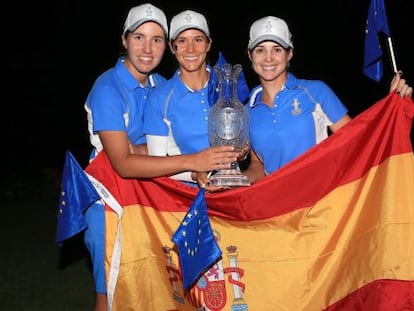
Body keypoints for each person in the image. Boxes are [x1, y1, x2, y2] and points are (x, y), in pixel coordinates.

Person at [83, 4, 238, 310]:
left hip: (147, 201)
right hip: (108, 203)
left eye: (156, 40)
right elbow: (123, 163)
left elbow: (153, 152)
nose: (147, 48)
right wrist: (192, 161)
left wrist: (191, 169)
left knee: (151, 291)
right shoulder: (108, 88)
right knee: (111, 294)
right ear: (124, 39)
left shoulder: (158, 86)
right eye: (139, 37)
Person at [243, 16, 413, 184]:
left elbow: (357, 140)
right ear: (250, 56)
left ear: (290, 54)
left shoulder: (316, 92)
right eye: (260, 50)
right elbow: (258, 165)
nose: (268, 58)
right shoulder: (245, 112)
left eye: (277, 49)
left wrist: (389, 108)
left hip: (321, 202)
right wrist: (239, 179)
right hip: (279, 207)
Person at [143, 9, 249, 191]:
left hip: (233, 193)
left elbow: (244, 141)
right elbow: (157, 163)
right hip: (185, 198)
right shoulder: (160, 97)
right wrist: (194, 173)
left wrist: (243, 151)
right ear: (172, 46)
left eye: (198, 40)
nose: (190, 49)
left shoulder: (229, 85)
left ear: (208, 44)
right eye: (182, 41)